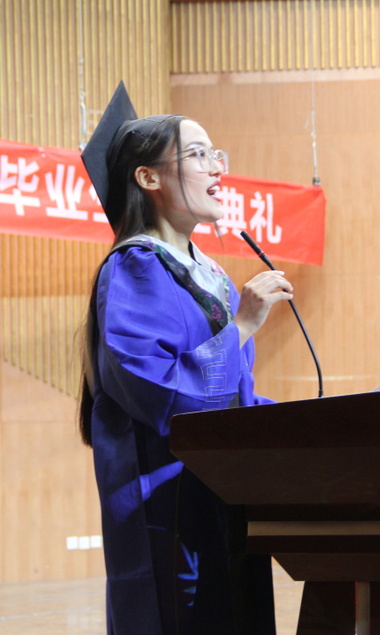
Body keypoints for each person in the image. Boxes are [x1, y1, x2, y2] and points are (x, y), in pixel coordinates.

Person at [79, 82, 294, 634]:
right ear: (148, 178)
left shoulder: (212, 276)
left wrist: (307, 421)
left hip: (223, 490)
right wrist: (241, 327)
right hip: (170, 504)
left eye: (215, 154)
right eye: (197, 154)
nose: (217, 169)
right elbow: (159, 391)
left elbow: (233, 396)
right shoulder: (136, 266)